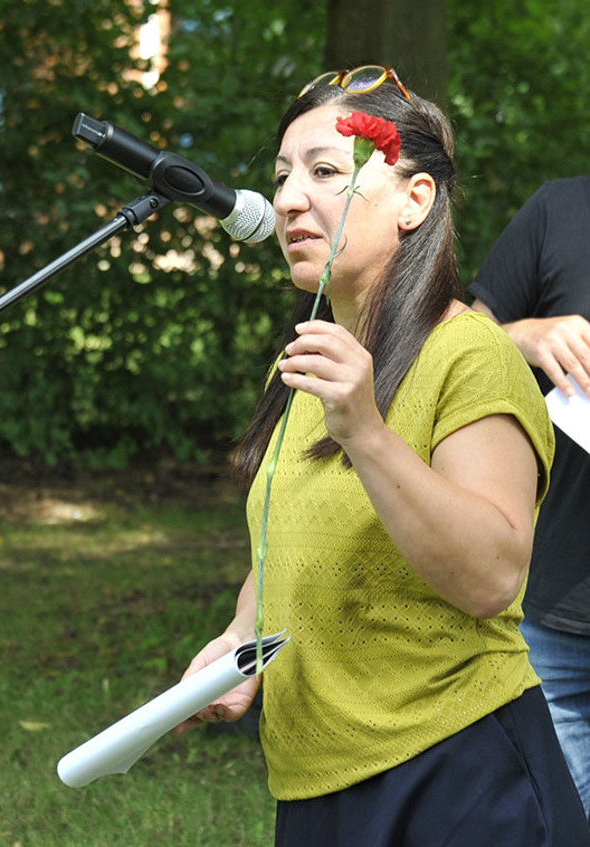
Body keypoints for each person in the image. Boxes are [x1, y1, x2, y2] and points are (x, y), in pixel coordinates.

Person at [174, 67, 590, 845]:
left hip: (458, 777)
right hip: (318, 780)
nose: (291, 198)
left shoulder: (469, 354)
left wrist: (366, 430)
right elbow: (290, 538)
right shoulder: (303, 362)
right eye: (282, 175)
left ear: (415, 200)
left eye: (326, 172)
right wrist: (239, 642)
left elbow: (493, 574)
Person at [468, 175, 590, 822]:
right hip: (553, 610)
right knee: (553, 824)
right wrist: (525, 337)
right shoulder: (560, 208)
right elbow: (455, 340)